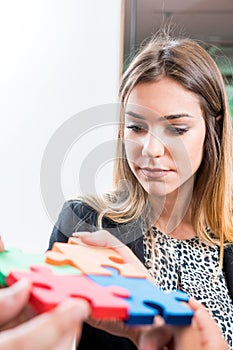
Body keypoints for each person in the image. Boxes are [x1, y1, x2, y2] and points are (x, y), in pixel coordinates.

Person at [48, 30, 233, 349]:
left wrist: (153, 304)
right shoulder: (87, 222)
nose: (151, 149)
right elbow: (52, 337)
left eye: (176, 129)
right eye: (136, 126)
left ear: (212, 129)